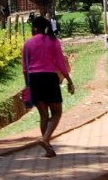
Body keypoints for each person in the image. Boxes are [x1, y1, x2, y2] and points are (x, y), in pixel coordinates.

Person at [21, 15, 75, 157]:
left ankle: (48, 148)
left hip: (34, 80)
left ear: (36, 28)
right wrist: (69, 80)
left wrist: (28, 86)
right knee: (57, 113)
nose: (31, 29)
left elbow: (25, 69)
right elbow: (60, 63)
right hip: (50, 79)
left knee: (43, 115)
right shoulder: (53, 41)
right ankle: (45, 139)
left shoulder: (27, 44)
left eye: (32, 27)